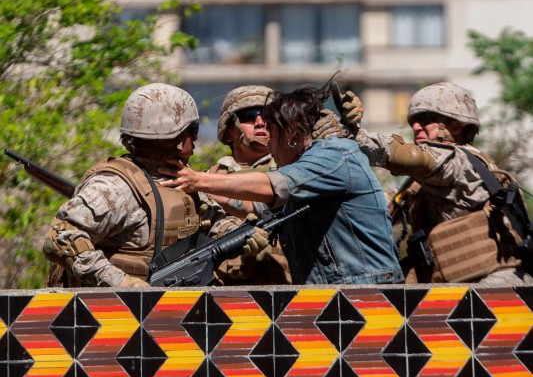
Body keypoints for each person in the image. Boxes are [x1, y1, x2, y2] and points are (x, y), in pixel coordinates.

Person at [160, 86, 404, 285]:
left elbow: (273, 186)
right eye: (249, 117)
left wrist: (198, 180)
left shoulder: (334, 156)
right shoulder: (306, 170)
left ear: (291, 133)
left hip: (365, 289)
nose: (268, 141)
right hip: (327, 290)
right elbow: (258, 207)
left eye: (271, 130)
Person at [43, 83, 268, 288]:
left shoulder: (180, 178)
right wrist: (121, 283)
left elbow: (210, 218)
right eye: (193, 131)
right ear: (176, 139)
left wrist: (235, 233)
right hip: (110, 315)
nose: (196, 140)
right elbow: (62, 237)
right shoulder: (116, 187)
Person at [338, 81, 532, 285]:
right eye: (414, 121)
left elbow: (408, 156)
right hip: (458, 285)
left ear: (456, 125)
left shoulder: (459, 161)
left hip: (497, 283)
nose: (415, 127)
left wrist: (353, 134)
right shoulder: (421, 184)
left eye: (426, 119)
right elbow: (374, 209)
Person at [209, 85, 291, 284]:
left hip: (286, 288)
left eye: (267, 116)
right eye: (248, 116)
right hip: (224, 291)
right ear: (228, 132)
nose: (260, 122)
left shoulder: (293, 170)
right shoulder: (209, 178)